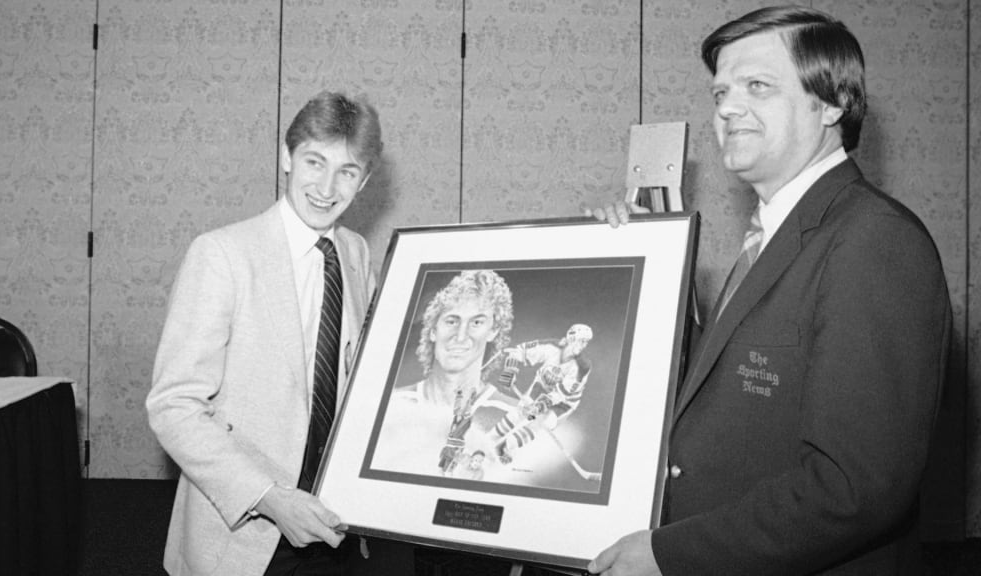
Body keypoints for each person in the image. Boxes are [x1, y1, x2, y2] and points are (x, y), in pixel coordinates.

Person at [588, 6, 951, 576]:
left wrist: (669, 555)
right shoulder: (772, 234)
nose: (727, 107)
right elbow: (718, 397)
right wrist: (645, 266)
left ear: (833, 102)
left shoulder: (875, 240)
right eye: (720, 93)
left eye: (756, 86)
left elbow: (853, 488)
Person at [147, 91, 411, 576]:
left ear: (365, 180)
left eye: (347, 172)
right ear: (286, 156)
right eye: (315, 162)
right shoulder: (222, 255)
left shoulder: (355, 254)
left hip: (336, 528)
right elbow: (173, 407)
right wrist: (270, 499)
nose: (327, 187)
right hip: (247, 533)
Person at [375, 269, 514, 476]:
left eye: (476, 322)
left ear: (493, 331)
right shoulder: (389, 406)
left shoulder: (511, 416)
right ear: (433, 330)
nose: (460, 336)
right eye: (451, 321)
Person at [488, 323, 593, 464]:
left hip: (564, 403)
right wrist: (510, 369)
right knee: (522, 411)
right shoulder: (551, 347)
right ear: (571, 337)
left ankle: (505, 447)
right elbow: (519, 351)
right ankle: (490, 438)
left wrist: (541, 405)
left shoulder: (582, 366)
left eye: (586, 342)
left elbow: (563, 393)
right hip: (541, 387)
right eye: (581, 340)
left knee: (542, 422)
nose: (583, 345)